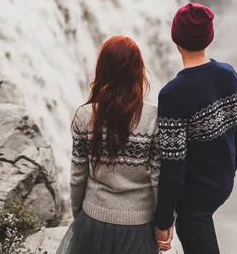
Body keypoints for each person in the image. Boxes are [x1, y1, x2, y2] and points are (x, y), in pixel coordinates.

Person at [154, 3, 237, 254]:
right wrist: (227, 176)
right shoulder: (229, 75)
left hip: (194, 203)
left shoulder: (173, 95)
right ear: (209, 37)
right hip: (221, 185)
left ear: (176, 39)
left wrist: (163, 220)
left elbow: (173, 166)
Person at [57, 36, 161, 254]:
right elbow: (158, 177)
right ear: (138, 71)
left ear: (102, 69)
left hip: (94, 220)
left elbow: (77, 175)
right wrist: (164, 222)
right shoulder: (153, 118)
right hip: (139, 226)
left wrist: (79, 215)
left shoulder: (85, 116)